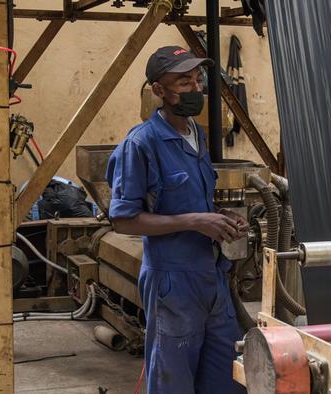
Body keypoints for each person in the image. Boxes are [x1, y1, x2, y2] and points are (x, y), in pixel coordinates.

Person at [106, 46, 248, 393]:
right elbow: (123, 220)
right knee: (174, 382)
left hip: (212, 278)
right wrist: (195, 222)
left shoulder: (196, 135)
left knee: (228, 376)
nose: (195, 88)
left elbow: (192, 199)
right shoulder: (141, 144)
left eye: (197, 80)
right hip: (173, 282)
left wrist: (218, 217)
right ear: (158, 90)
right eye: (184, 82)